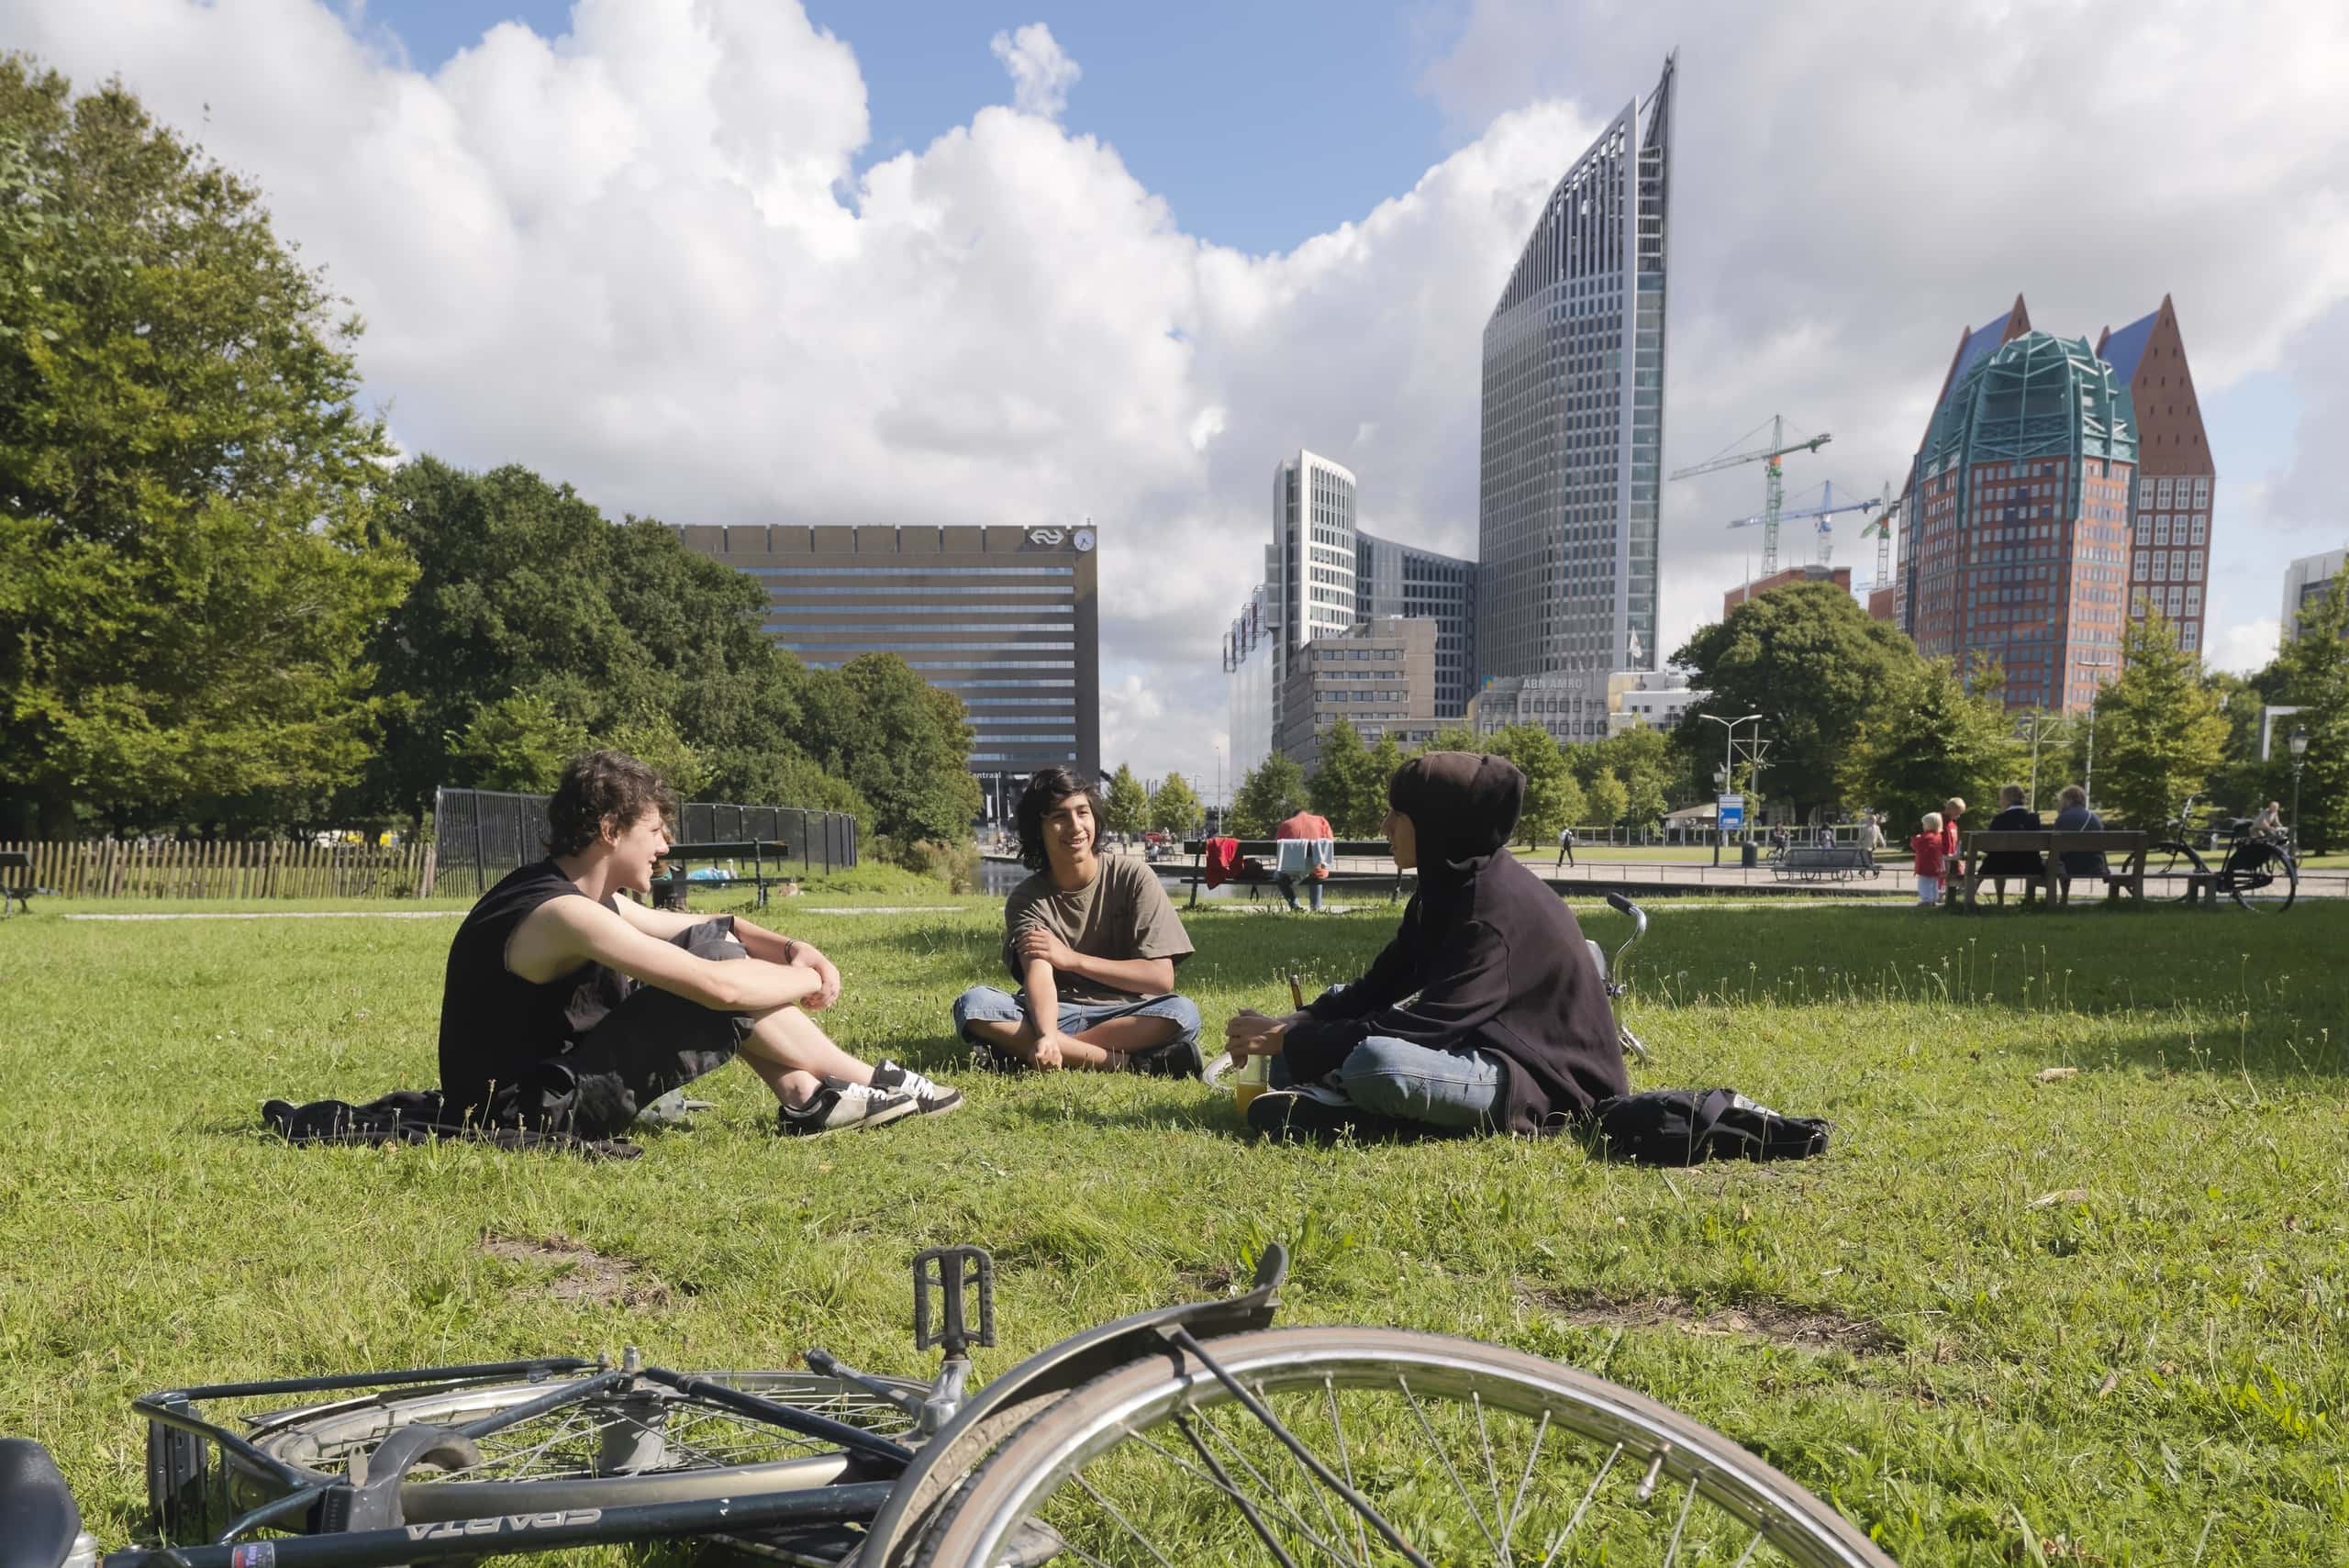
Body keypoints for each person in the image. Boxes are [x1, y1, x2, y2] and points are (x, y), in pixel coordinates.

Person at [438, 751, 960, 1140]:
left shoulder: (577, 892)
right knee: (712, 974)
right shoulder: (564, 913)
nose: (665, 847)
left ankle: (809, 1096)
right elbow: (718, 986)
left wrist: (794, 948)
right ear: (609, 830)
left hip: (548, 1084)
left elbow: (710, 922)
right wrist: (808, 980)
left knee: (709, 946)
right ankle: (860, 1078)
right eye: (656, 831)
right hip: (529, 1112)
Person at [1225, 752, 1629, 1143]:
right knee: (1328, 1015)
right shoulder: (1444, 888)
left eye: (1397, 816)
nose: (1384, 826)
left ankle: (1345, 1104)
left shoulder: (1489, 911)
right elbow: (1383, 985)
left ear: (1436, 826)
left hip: (1540, 1079)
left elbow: (1425, 1028)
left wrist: (1290, 1041)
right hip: (1475, 1040)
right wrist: (1292, 1022)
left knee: (1378, 1064)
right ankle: (1336, 1098)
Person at [952, 768, 1205, 1076]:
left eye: (1082, 813)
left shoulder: (1134, 877)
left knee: (1183, 1014)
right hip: (1056, 1012)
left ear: (1094, 819)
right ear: (1038, 829)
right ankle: (1124, 1063)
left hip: (1125, 1013)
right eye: (1059, 816)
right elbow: (1040, 976)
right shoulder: (1027, 898)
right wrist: (1045, 1033)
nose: (1075, 826)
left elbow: (1159, 979)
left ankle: (1024, 1051)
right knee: (973, 1005)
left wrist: (1073, 960)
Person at [1977, 784, 2045, 906]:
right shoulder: (2033, 819)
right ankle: (2029, 901)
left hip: (2000, 866)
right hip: (2030, 865)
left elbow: (1989, 846)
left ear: (2006, 800)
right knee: (2002, 856)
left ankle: (1999, 901)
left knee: (1995, 857)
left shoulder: (1999, 819)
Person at [2051, 784, 2106, 906]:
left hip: (2069, 867)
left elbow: (2055, 845)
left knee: (2060, 860)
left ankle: (2064, 897)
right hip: (2094, 866)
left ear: (2068, 800)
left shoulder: (2063, 818)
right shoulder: (2095, 818)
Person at [1275, 805, 1335, 912]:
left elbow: (1277, 848)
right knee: (1317, 869)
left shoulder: (1285, 824)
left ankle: (1295, 907)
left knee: (1278, 875)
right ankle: (1315, 908)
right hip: (1316, 868)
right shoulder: (1321, 821)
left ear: (1293, 816)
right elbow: (1330, 842)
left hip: (1292, 869)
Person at [1911, 811, 1947, 907]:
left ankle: (1926, 900)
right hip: (1936, 865)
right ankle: (1934, 899)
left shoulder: (1925, 837)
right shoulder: (1939, 836)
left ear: (1928, 825)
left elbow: (1916, 845)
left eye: (1924, 824)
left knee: (1924, 883)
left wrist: (1915, 838)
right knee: (1933, 883)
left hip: (1925, 866)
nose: (1923, 826)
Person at [1939, 796, 1967, 909]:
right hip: (1942, 854)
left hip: (1951, 855)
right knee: (1943, 875)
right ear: (1950, 809)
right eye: (1957, 813)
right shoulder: (1939, 819)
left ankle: (1946, 896)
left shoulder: (1953, 823)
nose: (1958, 816)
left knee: (1951, 873)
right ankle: (1939, 895)